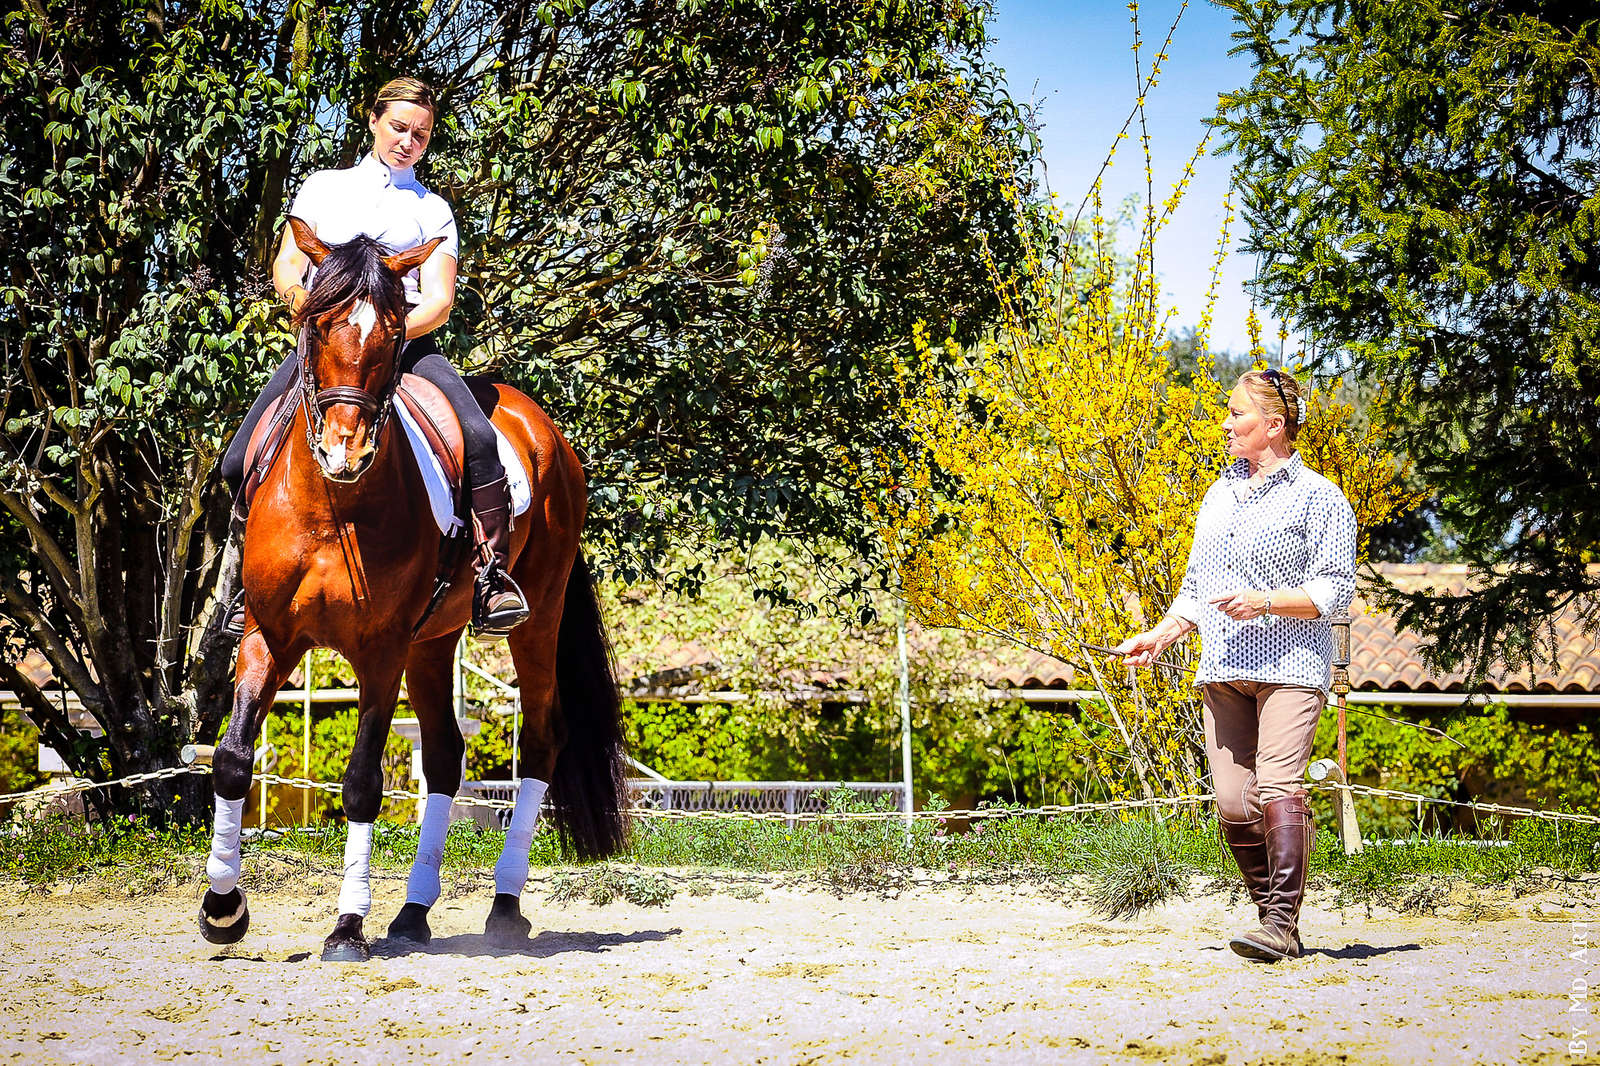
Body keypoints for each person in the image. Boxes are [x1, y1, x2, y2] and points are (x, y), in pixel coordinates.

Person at [221, 76, 529, 637]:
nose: (408, 141)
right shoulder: (323, 188)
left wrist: (383, 336)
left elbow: (439, 297)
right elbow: (289, 265)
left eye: (421, 134)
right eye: (398, 127)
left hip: (406, 351)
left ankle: (490, 579)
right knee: (238, 456)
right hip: (326, 353)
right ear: (372, 120)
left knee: (482, 441)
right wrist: (317, 316)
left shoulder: (432, 210)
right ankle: (237, 582)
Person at [1113, 368, 1356, 961]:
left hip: (1292, 664)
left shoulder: (1320, 497)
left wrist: (1264, 602)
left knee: (1277, 784)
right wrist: (1165, 633)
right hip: (1223, 665)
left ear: (1274, 426)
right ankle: (1271, 920)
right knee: (1231, 802)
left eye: (1237, 415)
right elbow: (1198, 584)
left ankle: (1279, 922)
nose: (1225, 424)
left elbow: (1336, 592)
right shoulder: (1218, 495)